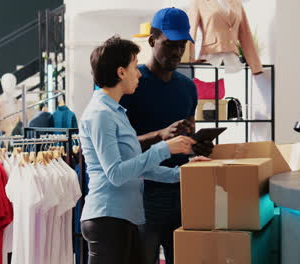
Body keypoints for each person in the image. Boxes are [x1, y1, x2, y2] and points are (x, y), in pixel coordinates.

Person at [79, 36, 208, 264]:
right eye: (133, 66)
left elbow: (139, 168)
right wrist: (163, 148)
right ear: (121, 72)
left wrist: (185, 171)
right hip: (108, 218)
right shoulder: (100, 114)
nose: (138, 73)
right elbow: (116, 174)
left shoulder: (116, 112)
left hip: (124, 219)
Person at [120, 8, 214, 264]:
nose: (176, 52)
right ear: (152, 41)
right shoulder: (131, 85)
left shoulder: (187, 87)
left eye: (181, 45)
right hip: (143, 193)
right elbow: (119, 148)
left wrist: (199, 146)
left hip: (184, 191)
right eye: (169, 44)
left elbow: (189, 137)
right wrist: (160, 136)